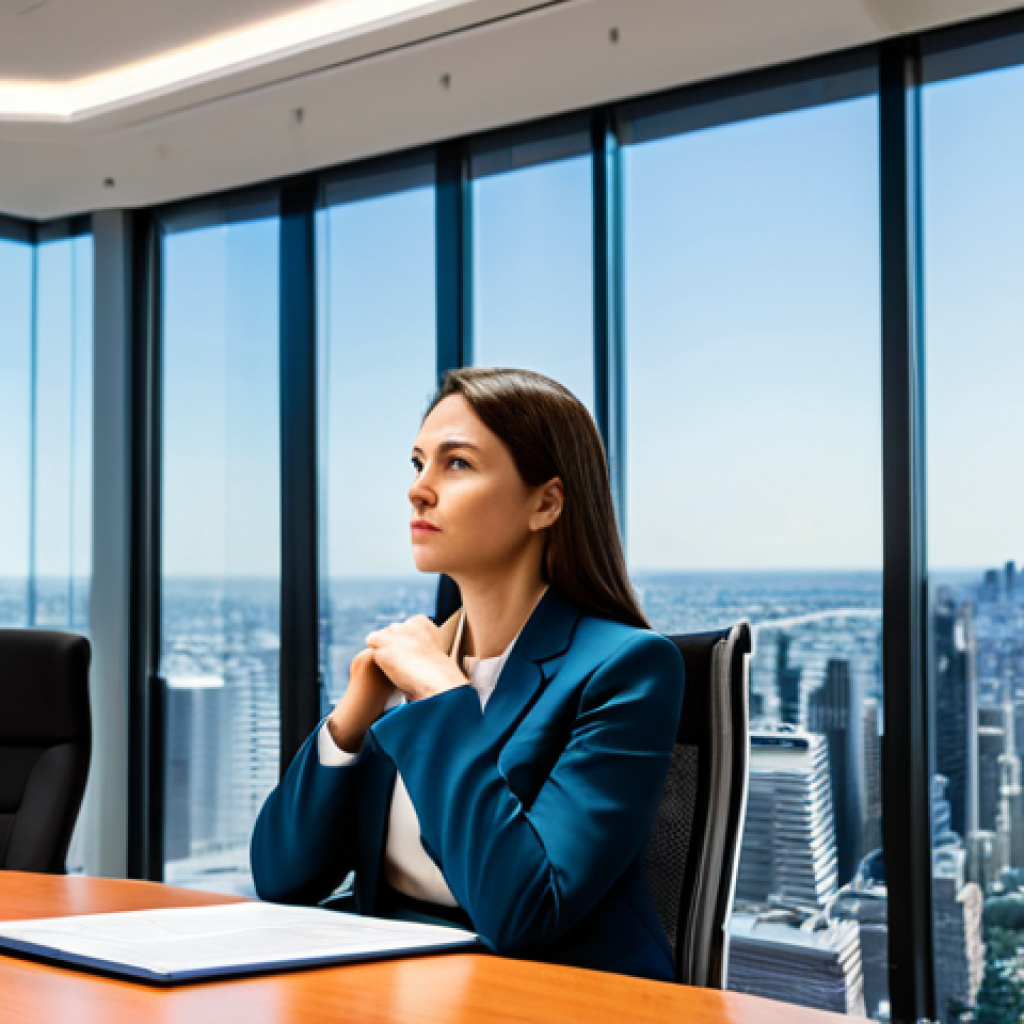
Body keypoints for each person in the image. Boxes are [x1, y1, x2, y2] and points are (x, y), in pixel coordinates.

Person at [251, 367, 685, 981]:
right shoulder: (418, 655)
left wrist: (441, 696)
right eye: (417, 463)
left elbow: (525, 912)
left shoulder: (627, 667)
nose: (418, 491)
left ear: (546, 503)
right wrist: (352, 721)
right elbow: (281, 879)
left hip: (549, 998)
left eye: (456, 464)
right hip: (390, 989)